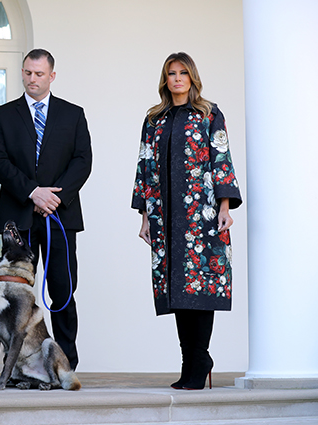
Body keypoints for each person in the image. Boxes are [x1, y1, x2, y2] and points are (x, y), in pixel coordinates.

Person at [131, 52, 242, 390]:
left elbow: (221, 158)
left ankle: (199, 360)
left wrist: (224, 207)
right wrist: (145, 215)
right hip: (165, 217)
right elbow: (144, 166)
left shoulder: (209, 114)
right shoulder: (154, 119)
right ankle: (190, 363)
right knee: (177, 291)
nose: (177, 78)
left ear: (192, 77)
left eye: (182, 73)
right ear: (165, 80)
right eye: (170, 73)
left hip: (202, 216)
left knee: (201, 287)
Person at [0, 49, 92, 370]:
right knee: (16, 295)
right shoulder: (3, 115)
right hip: (18, 217)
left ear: (51, 76)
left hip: (60, 215)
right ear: (22, 72)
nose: (33, 79)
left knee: (62, 288)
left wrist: (54, 197)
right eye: (28, 73)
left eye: (39, 74)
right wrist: (33, 192)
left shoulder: (73, 114)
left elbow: (82, 161)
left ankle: (65, 363)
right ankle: (18, 365)